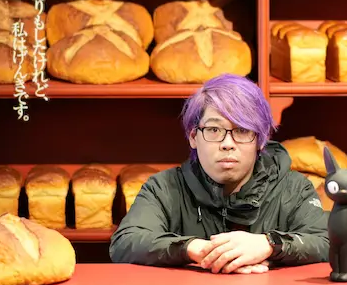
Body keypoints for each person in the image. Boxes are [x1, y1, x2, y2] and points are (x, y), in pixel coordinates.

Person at [109, 73, 329, 274]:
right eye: (214, 130)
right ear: (193, 137)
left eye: (242, 130)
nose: (227, 143)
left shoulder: (294, 188)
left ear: (260, 140)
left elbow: (327, 241)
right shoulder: (164, 187)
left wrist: (270, 244)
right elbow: (126, 242)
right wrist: (194, 248)